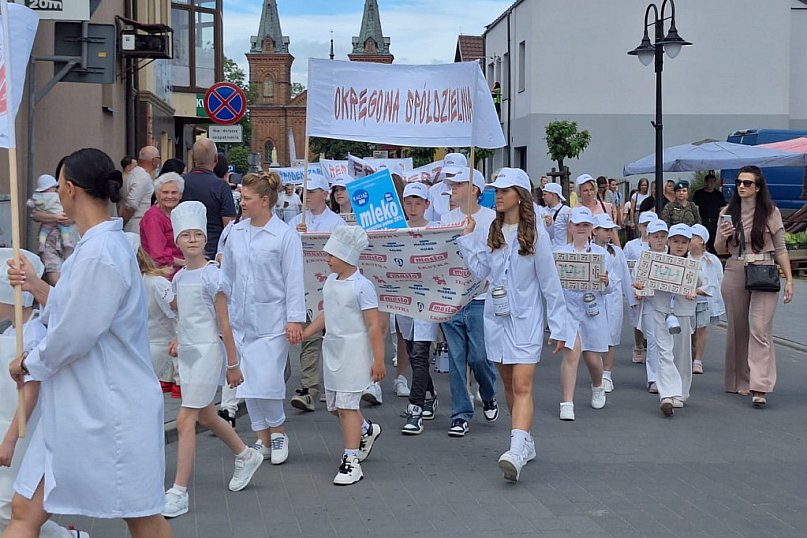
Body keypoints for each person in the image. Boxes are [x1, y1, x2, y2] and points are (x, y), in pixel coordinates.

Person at [5, 147, 171, 537]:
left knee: (142, 516)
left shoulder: (100, 253)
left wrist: (29, 362)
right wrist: (35, 286)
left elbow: (73, 335)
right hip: (78, 407)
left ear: (69, 189)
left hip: (109, 408)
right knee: (24, 509)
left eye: (59, 186)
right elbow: (76, 312)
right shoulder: (93, 248)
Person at [458, 167, 568, 482]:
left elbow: (549, 282)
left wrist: (559, 326)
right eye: (496, 190)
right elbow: (481, 273)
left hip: (527, 319)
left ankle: (515, 451)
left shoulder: (536, 235)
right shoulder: (490, 231)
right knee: (508, 385)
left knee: (522, 385)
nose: (499, 195)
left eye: (505, 190)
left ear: (520, 196)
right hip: (496, 318)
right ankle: (525, 441)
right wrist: (467, 241)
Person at [162, 201, 263, 519]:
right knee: (206, 416)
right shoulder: (179, 279)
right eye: (185, 235)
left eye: (197, 234)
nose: (192, 240)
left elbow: (223, 323)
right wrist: (179, 338)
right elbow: (188, 317)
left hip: (208, 353)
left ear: (204, 237)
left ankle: (178, 492)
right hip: (190, 353)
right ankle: (245, 454)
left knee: (184, 420)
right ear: (177, 240)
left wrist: (233, 364)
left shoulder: (213, 276)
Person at [0, 250, 86, 538]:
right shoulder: (8, 333)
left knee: (10, 505)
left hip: (24, 429)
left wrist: (9, 441)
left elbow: (31, 391)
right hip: (6, 421)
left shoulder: (33, 333)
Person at [220, 172, 305, 463]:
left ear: (265, 201)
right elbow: (226, 276)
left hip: (272, 321)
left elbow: (294, 279)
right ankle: (261, 438)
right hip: (240, 320)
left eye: (246, 198)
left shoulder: (285, 236)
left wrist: (294, 319)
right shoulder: (236, 233)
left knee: (267, 381)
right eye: (241, 197)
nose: (241, 203)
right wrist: (221, 313)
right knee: (248, 383)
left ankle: (278, 432)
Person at [301, 226, 385, 485]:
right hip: (333, 349)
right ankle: (366, 430)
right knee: (337, 407)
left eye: (331, 255)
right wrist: (306, 334)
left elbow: (373, 325)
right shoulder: (330, 281)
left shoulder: (362, 286)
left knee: (348, 407)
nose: (326, 259)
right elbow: (327, 313)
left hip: (354, 352)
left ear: (347, 257)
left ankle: (351, 460)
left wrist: (378, 359)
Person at [716, 165, 794, 407]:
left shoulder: (771, 212)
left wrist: (790, 279)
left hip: (764, 270)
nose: (741, 186)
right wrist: (724, 234)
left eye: (747, 183)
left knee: (759, 328)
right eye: (739, 182)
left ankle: (760, 386)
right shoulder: (727, 212)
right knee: (737, 328)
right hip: (736, 268)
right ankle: (740, 379)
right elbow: (719, 249)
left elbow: (780, 248)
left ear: (758, 187)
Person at [440, 168, 499, 438]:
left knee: (479, 356)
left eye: (460, 184)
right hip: (453, 296)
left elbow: (494, 256)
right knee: (455, 358)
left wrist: (488, 279)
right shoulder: (447, 218)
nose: (453, 188)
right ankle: (460, 414)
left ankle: (488, 393)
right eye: (452, 185)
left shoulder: (491, 218)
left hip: (480, 298)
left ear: (475, 189)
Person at [287, 176, 346, 411]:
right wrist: (296, 235)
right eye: (305, 192)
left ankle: (337, 386)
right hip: (306, 288)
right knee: (310, 339)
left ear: (325, 194)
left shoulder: (337, 222)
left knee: (334, 340)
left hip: (332, 288)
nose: (308, 196)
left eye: (313, 191)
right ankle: (308, 388)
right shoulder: (294, 221)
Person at [637, 224, 704, 416]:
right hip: (660, 311)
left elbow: (709, 286)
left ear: (690, 244)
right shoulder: (657, 261)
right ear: (669, 242)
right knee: (663, 351)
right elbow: (640, 280)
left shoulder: (693, 266)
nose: (679, 245)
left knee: (681, 354)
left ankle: (680, 393)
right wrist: (639, 285)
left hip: (682, 314)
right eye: (675, 241)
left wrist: (696, 291)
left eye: (684, 242)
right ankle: (666, 394)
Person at [555, 207, 611, 421]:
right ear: (570, 227)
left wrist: (606, 282)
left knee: (592, 358)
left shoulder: (601, 254)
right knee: (571, 352)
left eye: (585, 225)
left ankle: (597, 385)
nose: (581, 228)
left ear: (592, 229)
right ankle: (567, 402)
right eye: (577, 224)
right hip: (569, 310)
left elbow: (611, 287)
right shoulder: (560, 253)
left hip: (592, 310)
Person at [397, 183, 438, 434]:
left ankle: (415, 409)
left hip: (428, 299)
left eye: (418, 203)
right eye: (408, 203)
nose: (413, 208)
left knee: (421, 355)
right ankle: (431, 394)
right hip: (402, 301)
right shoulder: (395, 229)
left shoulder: (435, 230)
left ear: (427, 205)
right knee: (413, 354)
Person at [591, 214, 637, 393]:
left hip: (614, 298)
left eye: (611, 230)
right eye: (606, 230)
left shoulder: (617, 252)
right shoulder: (588, 251)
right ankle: (597, 372)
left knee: (612, 335)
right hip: (595, 299)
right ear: (595, 231)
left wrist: (631, 299)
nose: (610, 233)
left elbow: (625, 275)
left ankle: (607, 374)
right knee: (595, 335)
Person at [181, 139, 238, 259]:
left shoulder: (180, 183)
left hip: (183, 250)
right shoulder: (221, 186)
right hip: (213, 251)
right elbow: (229, 226)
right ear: (216, 159)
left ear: (192, 158)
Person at [134, 243, 179, 395]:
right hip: (140, 347)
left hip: (161, 346)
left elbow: (179, 310)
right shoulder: (125, 285)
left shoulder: (155, 283)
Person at [635, 219, 669, 394]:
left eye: (663, 236)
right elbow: (636, 280)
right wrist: (638, 287)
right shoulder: (643, 258)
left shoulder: (674, 257)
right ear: (649, 238)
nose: (660, 240)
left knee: (669, 341)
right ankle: (653, 378)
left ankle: (668, 377)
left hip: (670, 306)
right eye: (656, 237)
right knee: (654, 340)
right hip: (650, 303)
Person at [689, 224, 725, 375]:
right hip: (687, 300)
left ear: (702, 241)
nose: (689, 240)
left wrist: (717, 299)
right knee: (689, 331)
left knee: (701, 329)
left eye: (693, 237)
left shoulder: (712, 260)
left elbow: (719, 279)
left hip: (703, 300)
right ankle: (689, 355)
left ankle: (698, 360)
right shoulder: (685, 257)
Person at [623, 212, 656, 363]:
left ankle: (653, 347)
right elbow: (625, 267)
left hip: (654, 290)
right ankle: (638, 346)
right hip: (636, 288)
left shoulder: (664, 246)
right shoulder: (631, 246)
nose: (647, 228)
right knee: (637, 319)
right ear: (640, 227)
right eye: (645, 225)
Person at [140, 172, 186, 279]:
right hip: (164, 274)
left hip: (181, 271)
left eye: (174, 192)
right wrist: (185, 263)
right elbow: (158, 256)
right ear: (157, 195)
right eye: (165, 192)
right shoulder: (153, 217)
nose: (170, 196)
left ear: (180, 195)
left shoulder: (180, 213)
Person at [27, 175, 73, 256]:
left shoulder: (38, 197)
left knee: (44, 232)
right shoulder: (56, 196)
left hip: (71, 238)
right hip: (51, 242)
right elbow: (35, 215)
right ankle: (65, 242)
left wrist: (70, 219)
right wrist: (55, 217)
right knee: (52, 266)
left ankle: (42, 243)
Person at [119, 146, 159, 234]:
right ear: (154, 160)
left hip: (134, 226)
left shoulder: (134, 174)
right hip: (137, 228)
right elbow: (131, 205)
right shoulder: (142, 177)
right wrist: (120, 226)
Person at [572, 174, 619, 246]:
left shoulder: (606, 207)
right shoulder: (574, 211)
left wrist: (618, 249)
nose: (589, 193)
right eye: (585, 190)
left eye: (591, 189)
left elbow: (612, 230)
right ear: (579, 192)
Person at [425, 152, 466, 222]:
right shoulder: (433, 190)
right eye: (448, 173)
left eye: (454, 173)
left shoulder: (470, 191)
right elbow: (427, 218)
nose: (450, 176)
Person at [692, 173, 726, 253]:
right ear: (705, 182)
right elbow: (695, 208)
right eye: (710, 181)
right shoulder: (699, 194)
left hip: (715, 222)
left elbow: (722, 209)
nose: (711, 183)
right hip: (703, 221)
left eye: (713, 181)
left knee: (714, 244)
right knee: (702, 242)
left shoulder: (718, 195)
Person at [542, 182, 571, 249]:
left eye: (545, 194)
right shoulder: (542, 211)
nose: (543, 197)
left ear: (553, 195)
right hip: (546, 250)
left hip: (562, 251)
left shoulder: (566, 211)